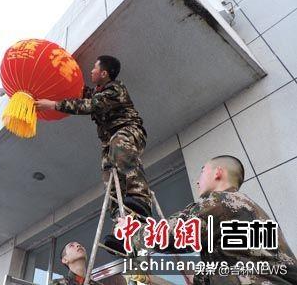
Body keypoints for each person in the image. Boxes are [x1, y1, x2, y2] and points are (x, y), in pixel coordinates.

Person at [117, 155, 297, 284]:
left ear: (218, 173)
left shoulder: (221, 202)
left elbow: (172, 236)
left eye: (202, 172)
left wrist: (132, 232)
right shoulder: (240, 206)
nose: (197, 181)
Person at [36, 55, 152, 254]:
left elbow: (88, 105)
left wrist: (53, 105)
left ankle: (141, 199)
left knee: (120, 145)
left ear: (104, 73)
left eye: (94, 68)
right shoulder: (95, 92)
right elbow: (76, 92)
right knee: (111, 182)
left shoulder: (115, 89)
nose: (90, 71)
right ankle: (123, 233)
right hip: (109, 144)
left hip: (129, 131)